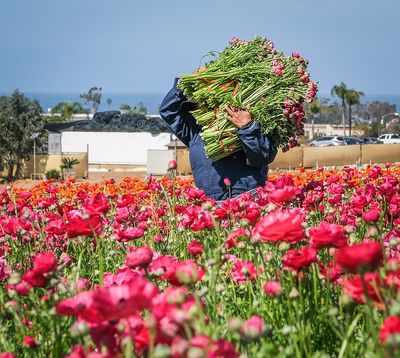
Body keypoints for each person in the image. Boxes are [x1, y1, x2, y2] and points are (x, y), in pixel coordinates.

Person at [159, 76, 277, 201]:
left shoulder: (251, 121)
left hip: (244, 199)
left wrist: (247, 128)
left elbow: (263, 156)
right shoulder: (195, 127)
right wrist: (184, 83)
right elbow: (168, 111)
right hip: (208, 201)